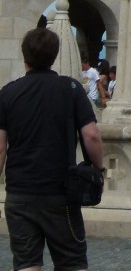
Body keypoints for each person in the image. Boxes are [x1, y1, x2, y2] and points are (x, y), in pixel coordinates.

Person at [0, 27, 104, 271]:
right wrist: (98, 168)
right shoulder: (71, 89)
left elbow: (0, 149)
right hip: (61, 192)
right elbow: (91, 136)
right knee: (71, 262)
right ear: (54, 55)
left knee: (26, 263)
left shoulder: (8, 93)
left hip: (20, 193)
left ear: (24, 56)